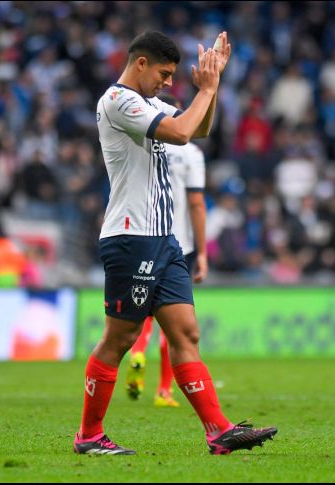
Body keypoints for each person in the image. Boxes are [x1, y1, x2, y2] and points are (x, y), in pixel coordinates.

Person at [74, 30, 277, 456]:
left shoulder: (150, 103)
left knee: (186, 333)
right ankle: (89, 435)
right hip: (132, 237)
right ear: (141, 63)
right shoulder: (118, 101)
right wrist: (204, 89)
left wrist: (214, 85)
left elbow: (199, 127)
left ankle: (218, 431)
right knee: (121, 337)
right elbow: (182, 134)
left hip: (164, 240)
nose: (168, 82)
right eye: (164, 74)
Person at [124, 92, 208, 409]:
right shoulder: (190, 154)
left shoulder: (140, 144)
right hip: (179, 243)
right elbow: (197, 203)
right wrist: (202, 252)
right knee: (174, 320)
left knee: (142, 309)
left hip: (143, 235)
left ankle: (136, 352)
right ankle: (163, 390)